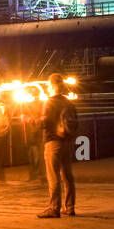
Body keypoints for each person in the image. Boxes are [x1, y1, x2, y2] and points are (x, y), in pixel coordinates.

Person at [38, 73, 78, 218]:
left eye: (49, 85)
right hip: (67, 142)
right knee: (68, 175)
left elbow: (44, 123)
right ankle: (70, 207)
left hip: (53, 142)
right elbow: (75, 121)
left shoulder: (49, 102)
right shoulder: (68, 102)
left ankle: (54, 208)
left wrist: (30, 119)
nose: (47, 87)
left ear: (54, 86)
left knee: (53, 176)